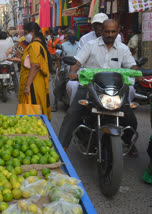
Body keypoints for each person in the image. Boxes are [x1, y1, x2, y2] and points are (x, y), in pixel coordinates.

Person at [58, 20, 139, 157]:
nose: (110, 34)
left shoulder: (123, 49)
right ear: (101, 30)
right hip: (90, 87)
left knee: (131, 119)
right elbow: (78, 61)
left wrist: (137, 72)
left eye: (113, 31)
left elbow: (131, 65)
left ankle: (128, 141)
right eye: (107, 31)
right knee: (72, 114)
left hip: (115, 90)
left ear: (118, 31)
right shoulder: (90, 45)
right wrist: (73, 72)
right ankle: (60, 149)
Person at [9, 22, 52, 120]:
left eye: (25, 33)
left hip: (33, 84)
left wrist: (27, 86)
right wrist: (19, 60)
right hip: (38, 82)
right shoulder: (39, 44)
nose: (24, 36)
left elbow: (36, 66)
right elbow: (31, 62)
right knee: (36, 112)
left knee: (33, 114)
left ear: (32, 32)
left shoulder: (34, 46)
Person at [53, 30, 79, 111]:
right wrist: (59, 64)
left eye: (74, 35)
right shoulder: (63, 45)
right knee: (59, 85)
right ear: (67, 36)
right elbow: (57, 54)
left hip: (77, 68)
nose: (72, 36)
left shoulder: (79, 44)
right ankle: (55, 104)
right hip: (65, 68)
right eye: (71, 35)